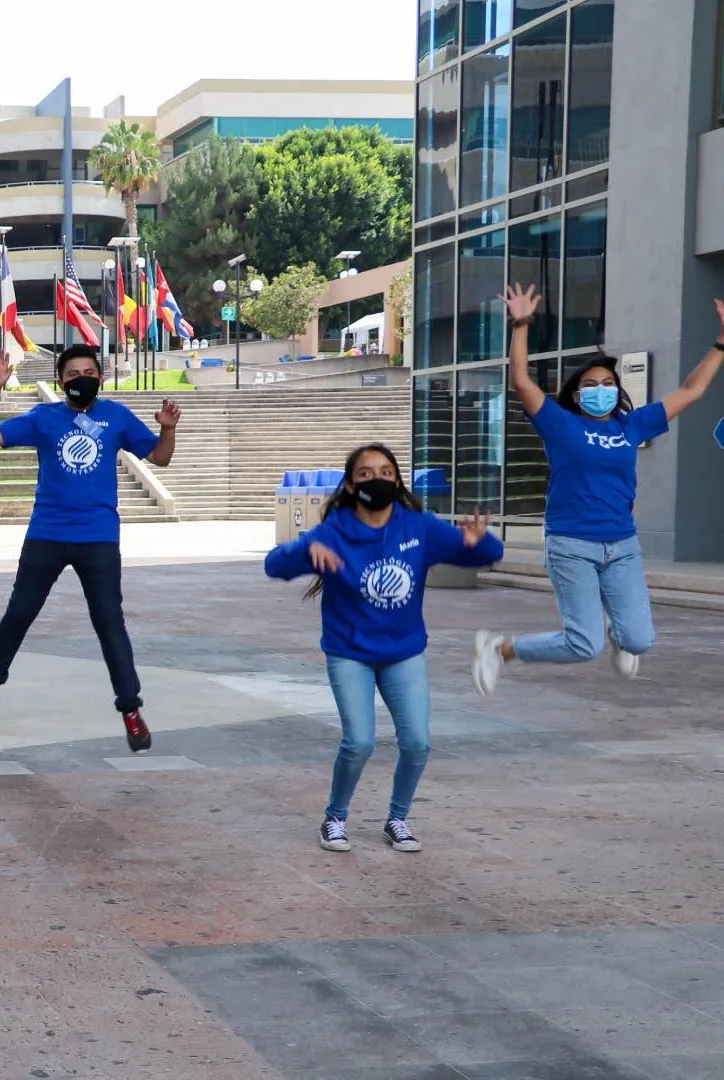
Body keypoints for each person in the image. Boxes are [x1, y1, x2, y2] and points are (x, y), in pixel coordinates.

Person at [473, 288, 724, 695]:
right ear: (577, 394)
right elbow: (520, 379)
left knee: (640, 640)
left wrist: (721, 343)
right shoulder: (560, 424)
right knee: (582, 643)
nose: (600, 389)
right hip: (571, 543)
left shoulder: (633, 425)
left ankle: (618, 633)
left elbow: (692, 391)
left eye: (608, 383)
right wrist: (520, 324)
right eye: (591, 384)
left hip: (622, 544)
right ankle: (501, 649)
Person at [266, 444, 503, 853]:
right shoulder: (333, 532)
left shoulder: (418, 527)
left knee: (418, 743)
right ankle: (335, 817)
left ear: (397, 481)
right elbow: (275, 565)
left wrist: (476, 541)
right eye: (365, 474)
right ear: (350, 484)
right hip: (349, 651)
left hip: (404, 652)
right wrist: (304, 551)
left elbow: (488, 554)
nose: (377, 480)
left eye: (386, 472)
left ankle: (398, 818)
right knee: (359, 742)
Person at [0, 345, 179, 754]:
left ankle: (130, 709)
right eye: (73, 373)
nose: (82, 378)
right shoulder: (45, 418)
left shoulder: (116, 417)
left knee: (109, 623)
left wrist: (167, 428)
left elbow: (160, 459)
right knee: (20, 612)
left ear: (100, 377)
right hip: (48, 533)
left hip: (98, 537)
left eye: (89, 371)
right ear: (62, 382)